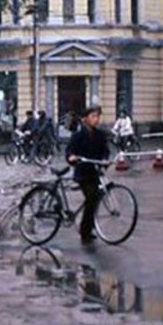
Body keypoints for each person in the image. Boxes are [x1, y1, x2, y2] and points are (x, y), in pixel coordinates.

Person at [65, 104, 110, 245]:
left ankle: (88, 229)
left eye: (98, 116)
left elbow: (105, 150)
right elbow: (70, 151)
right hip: (82, 173)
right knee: (92, 197)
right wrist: (72, 157)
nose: (96, 119)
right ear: (85, 119)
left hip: (94, 172)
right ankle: (85, 230)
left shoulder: (100, 135)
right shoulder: (78, 135)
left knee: (94, 199)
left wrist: (105, 159)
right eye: (93, 116)